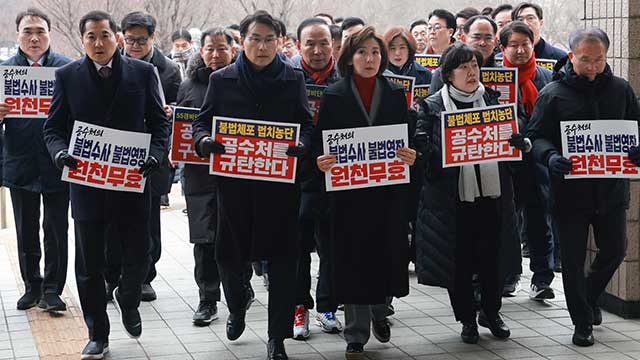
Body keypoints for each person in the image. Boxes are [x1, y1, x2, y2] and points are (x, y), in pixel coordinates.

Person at [43, 10, 169, 358]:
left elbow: (160, 125)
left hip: (132, 181)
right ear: (82, 41)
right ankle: (97, 333)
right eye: (90, 37)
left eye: (104, 35)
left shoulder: (144, 72)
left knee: (139, 254)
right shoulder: (67, 75)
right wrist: (60, 155)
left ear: (117, 37)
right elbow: (53, 128)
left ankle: (128, 298)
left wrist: (155, 156)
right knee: (89, 264)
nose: (98, 43)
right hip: (86, 185)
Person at [191, 11, 313, 360]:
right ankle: (238, 304)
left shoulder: (292, 79)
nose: (262, 46)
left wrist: (302, 145)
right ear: (241, 41)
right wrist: (204, 143)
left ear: (279, 42)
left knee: (282, 261)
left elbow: (306, 124)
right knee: (229, 257)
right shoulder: (222, 79)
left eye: (269, 39)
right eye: (255, 39)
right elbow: (202, 124)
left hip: (278, 188)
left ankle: (277, 338)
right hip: (234, 187)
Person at [527, 27, 639, 347]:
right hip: (569, 193)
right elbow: (536, 137)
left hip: (612, 191)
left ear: (606, 57)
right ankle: (581, 323)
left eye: (598, 60)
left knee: (616, 249)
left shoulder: (621, 90)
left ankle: (588, 299)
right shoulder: (553, 94)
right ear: (571, 57)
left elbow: (637, 127)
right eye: (585, 60)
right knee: (573, 261)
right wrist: (549, 157)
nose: (592, 66)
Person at [313, 26, 415, 360]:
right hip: (348, 196)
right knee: (353, 260)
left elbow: (409, 140)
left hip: (387, 194)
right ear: (349, 57)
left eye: (375, 53)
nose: (369, 59)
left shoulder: (395, 93)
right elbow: (320, 141)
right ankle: (355, 333)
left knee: (385, 255)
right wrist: (322, 160)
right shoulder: (335, 95)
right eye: (362, 52)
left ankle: (380, 311)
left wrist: (412, 154)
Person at [415, 43, 525, 345]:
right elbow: (423, 155)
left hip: (492, 197)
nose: (471, 72)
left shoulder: (492, 100)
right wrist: (429, 150)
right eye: (463, 67)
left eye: (475, 66)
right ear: (449, 74)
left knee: (493, 259)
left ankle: (491, 312)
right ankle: (467, 319)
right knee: (458, 263)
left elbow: (515, 134)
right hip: (452, 200)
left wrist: (516, 140)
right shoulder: (431, 106)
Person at [177, 27, 255, 327]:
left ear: (233, 50)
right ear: (201, 50)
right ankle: (207, 300)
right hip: (199, 176)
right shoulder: (189, 85)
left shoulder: (243, 82)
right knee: (204, 240)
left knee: (238, 235)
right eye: (209, 48)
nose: (215, 54)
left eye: (221, 48)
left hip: (237, 174)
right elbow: (185, 128)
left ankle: (241, 287)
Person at [104, 11, 180, 303]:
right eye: (131, 39)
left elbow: (180, 104)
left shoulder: (169, 69)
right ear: (122, 37)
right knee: (112, 218)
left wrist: (171, 111)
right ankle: (112, 275)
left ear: (153, 39)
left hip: (151, 155)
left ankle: (145, 276)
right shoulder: (109, 64)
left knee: (148, 220)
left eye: (142, 40)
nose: (135, 45)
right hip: (116, 153)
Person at [0, 8, 71, 312]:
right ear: (17, 35)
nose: (34, 37)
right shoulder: (4, 73)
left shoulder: (68, 70)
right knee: (25, 229)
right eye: (27, 31)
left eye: (40, 31)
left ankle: (53, 289)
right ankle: (33, 285)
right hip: (20, 162)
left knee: (56, 229)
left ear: (49, 34)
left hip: (57, 163)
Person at [289, 17, 342, 340]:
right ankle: (299, 306)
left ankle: (327, 305)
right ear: (298, 46)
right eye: (310, 43)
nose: (318, 50)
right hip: (296, 177)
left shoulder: (345, 79)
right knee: (297, 247)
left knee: (332, 245)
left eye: (324, 43)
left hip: (336, 175)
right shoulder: (286, 78)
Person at [499, 21, 555, 301]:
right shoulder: (494, 78)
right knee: (509, 221)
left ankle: (543, 278)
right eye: (514, 45)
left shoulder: (546, 77)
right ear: (503, 48)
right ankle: (510, 276)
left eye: (526, 44)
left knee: (539, 219)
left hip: (539, 162)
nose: (520, 50)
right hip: (508, 164)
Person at [430, 15, 499, 93]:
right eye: (477, 37)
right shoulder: (444, 73)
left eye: (488, 38)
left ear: (495, 42)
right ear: (463, 39)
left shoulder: (505, 74)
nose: (482, 43)